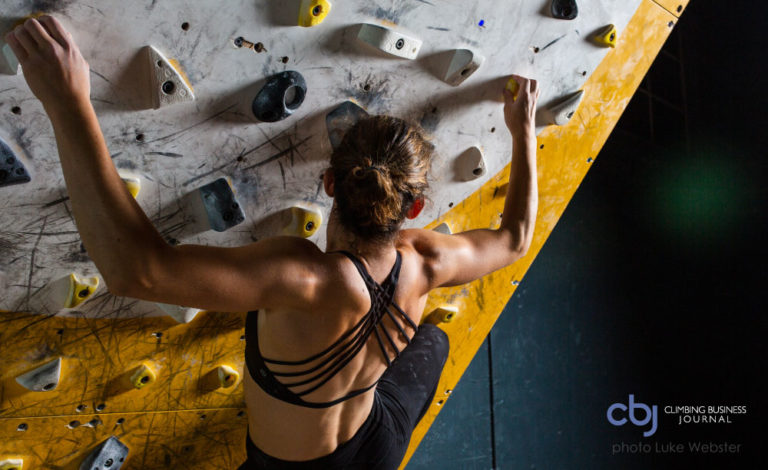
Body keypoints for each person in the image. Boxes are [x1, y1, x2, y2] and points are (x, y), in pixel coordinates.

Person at [5, 16, 540, 470]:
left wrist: (68, 100)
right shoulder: (428, 260)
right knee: (435, 344)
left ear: (330, 184)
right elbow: (515, 238)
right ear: (414, 208)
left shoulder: (300, 277)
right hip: (376, 444)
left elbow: (137, 271)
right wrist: (523, 130)